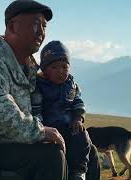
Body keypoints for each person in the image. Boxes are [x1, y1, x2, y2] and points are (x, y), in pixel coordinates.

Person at [0, 1, 68, 180]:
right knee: (52, 156)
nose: (41, 31)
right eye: (35, 24)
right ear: (12, 26)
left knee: (84, 149)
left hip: (14, 144)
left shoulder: (28, 67)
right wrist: (39, 132)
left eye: (44, 26)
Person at [31, 40, 99, 180]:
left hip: (69, 127)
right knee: (57, 153)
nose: (60, 71)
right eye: (54, 67)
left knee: (83, 137)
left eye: (64, 67)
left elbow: (78, 102)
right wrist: (42, 130)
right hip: (50, 129)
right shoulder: (39, 86)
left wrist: (78, 118)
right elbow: (36, 110)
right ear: (44, 69)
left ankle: (79, 172)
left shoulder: (71, 85)